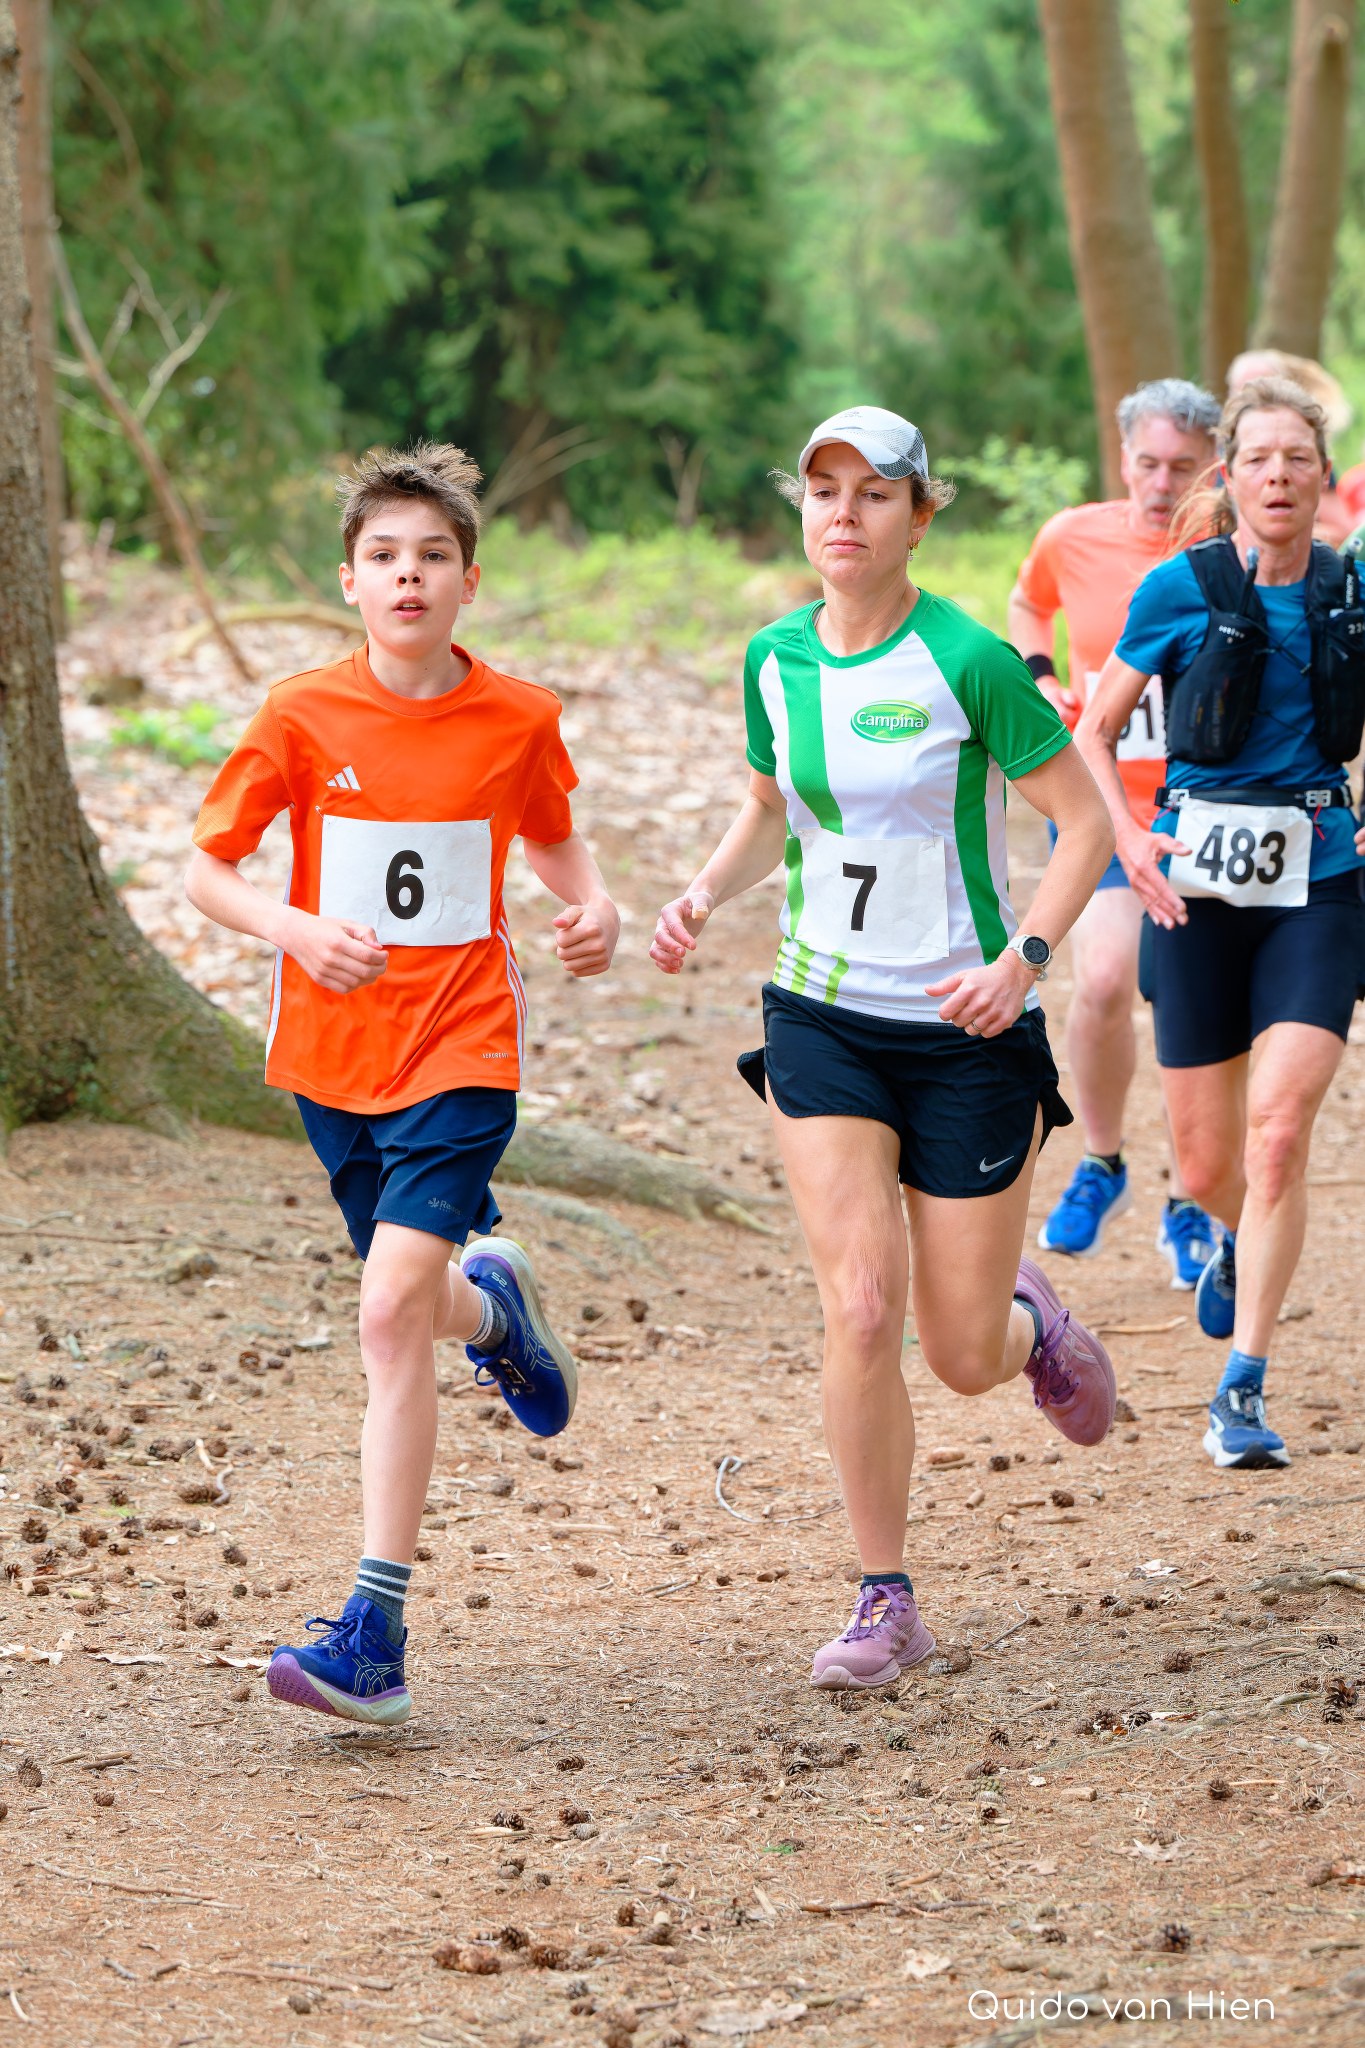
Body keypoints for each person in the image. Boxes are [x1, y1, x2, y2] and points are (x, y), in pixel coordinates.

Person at [651, 405, 1118, 1691]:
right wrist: (703, 892)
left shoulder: (968, 659)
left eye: (872, 492)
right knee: (861, 1302)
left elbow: (1084, 825)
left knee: (960, 1353)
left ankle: (1029, 1320)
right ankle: (885, 1594)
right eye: (823, 490)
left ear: (921, 513)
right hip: (822, 1013)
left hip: (967, 1029)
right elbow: (770, 807)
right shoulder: (774, 658)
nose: (843, 514)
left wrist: (1023, 960)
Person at [185, 443, 620, 1720]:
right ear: (350, 580)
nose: (409, 575)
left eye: (433, 555)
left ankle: (374, 1634)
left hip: (464, 1045)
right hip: (332, 1060)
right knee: (415, 1300)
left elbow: (553, 839)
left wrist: (592, 905)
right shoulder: (299, 715)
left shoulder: (518, 716)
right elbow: (207, 868)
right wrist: (295, 928)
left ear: (469, 579)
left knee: (383, 1315)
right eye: (384, 555)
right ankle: (496, 1317)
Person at [1076, 378, 1365, 1471]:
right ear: (1230, 475)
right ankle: (1235, 1234)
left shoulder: (1352, 587)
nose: (1279, 475)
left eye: (1298, 458)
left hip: (1317, 884)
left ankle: (1240, 1385)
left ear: (1322, 477)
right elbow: (1095, 732)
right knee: (1205, 1167)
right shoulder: (1176, 588)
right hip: (1192, 887)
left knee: (1278, 1135)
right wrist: (1129, 838)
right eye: (1259, 459)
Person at [1008, 379, 1222, 1283]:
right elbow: (1028, 602)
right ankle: (1102, 1163)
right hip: (1098, 802)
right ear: (1122, 457)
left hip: (1204, 811)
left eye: (1182, 466)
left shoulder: (1230, 548)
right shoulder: (1072, 535)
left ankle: (1190, 1198)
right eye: (1147, 463)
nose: (1162, 484)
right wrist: (1041, 676)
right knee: (1099, 980)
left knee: (1188, 1005)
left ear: (1211, 464)